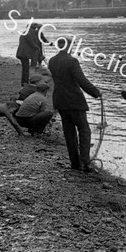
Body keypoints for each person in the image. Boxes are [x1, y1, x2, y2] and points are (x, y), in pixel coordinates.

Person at [48, 38, 101, 172]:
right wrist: (96, 93)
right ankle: (85, 164)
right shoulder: (72, 61)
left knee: (69, 133)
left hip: (60, 101)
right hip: (74, 101)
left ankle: (75, 164)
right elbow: (82, 81)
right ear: (70, 47)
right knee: (84, 131)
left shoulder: (52, 61)